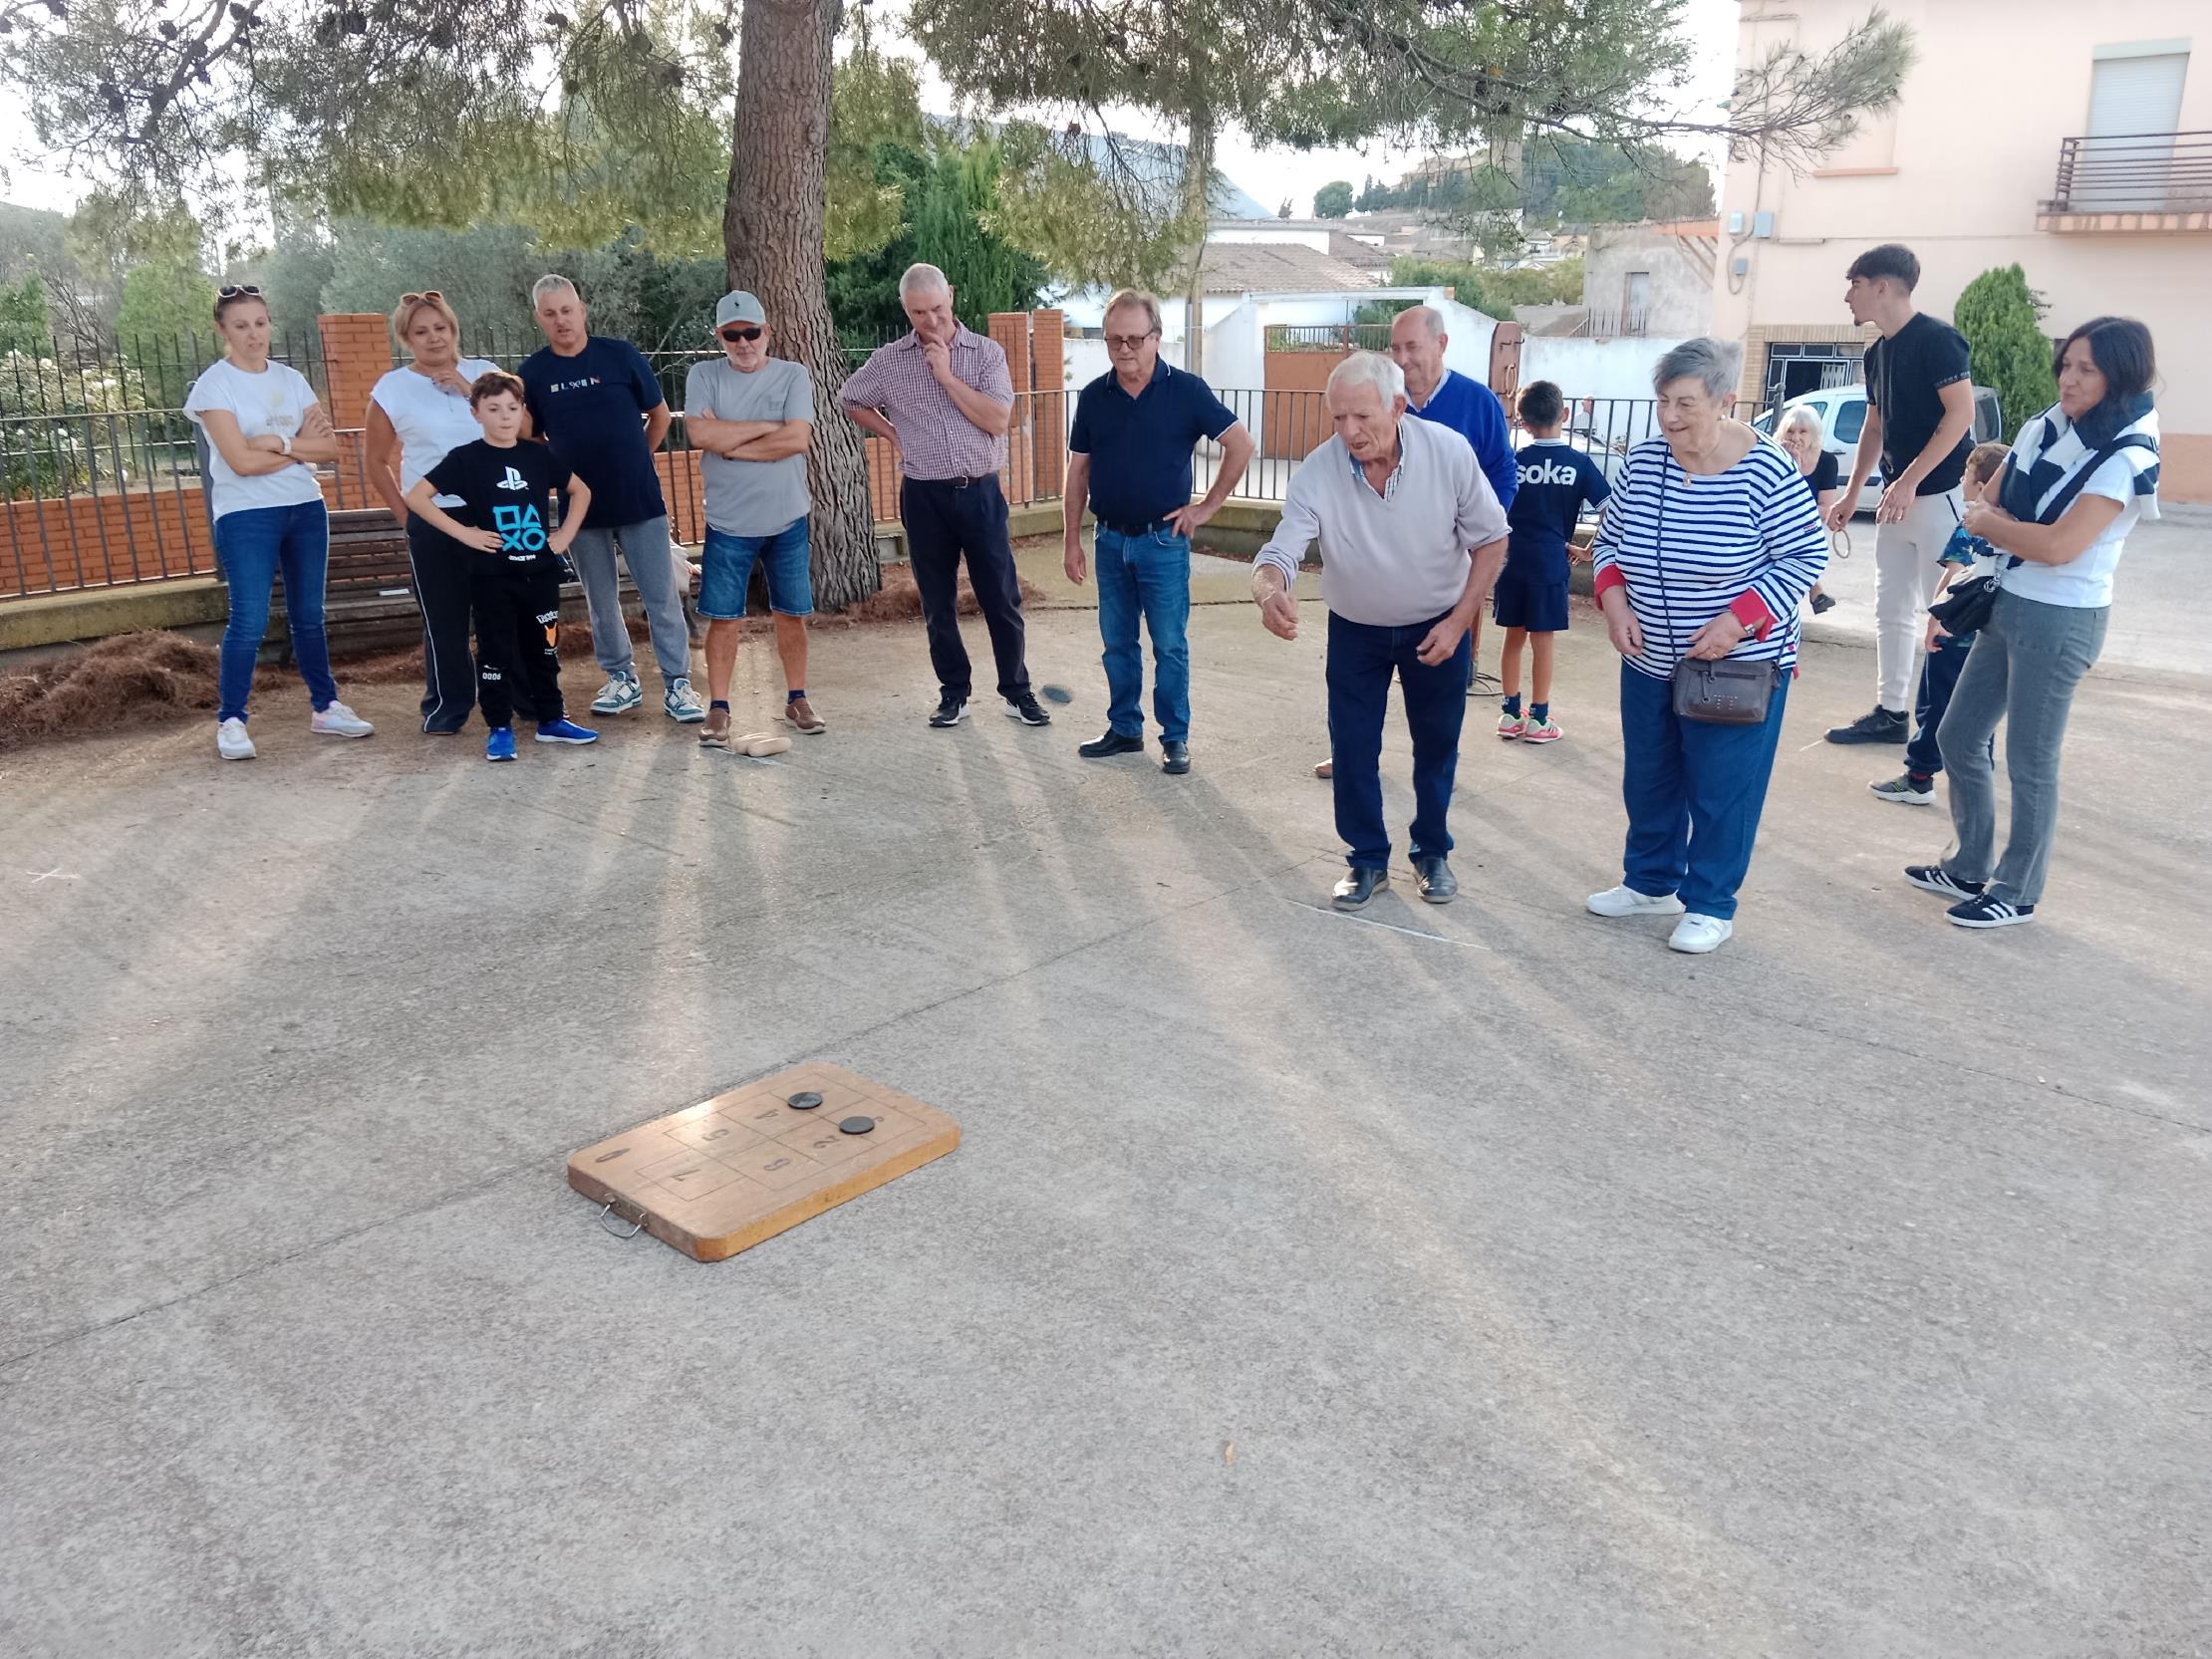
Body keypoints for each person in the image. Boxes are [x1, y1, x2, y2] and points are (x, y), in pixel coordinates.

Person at [1905, 319, 2160, 929]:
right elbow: (1991, 496)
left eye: (2087, 370)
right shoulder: (2046, 425)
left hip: (2063, 617)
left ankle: (2016, 890)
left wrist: (1992, 525)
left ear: (2120, 377)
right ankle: (1969, 864)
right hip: (2009, 597)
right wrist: (1982, 540)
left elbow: (2056, 546)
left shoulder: (2126, 454)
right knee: (1958, 736)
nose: (2069, 379)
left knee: (2030, 760)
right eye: (2067, 364)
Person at [1584, 338, 1827, 955]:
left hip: (1734, 665)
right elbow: (1609, 544)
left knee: (1722, 786)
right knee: (1649, 776)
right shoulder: (1643, 462)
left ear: (1724, 402)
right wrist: (1614, 604)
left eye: (1686, 404)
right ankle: (1649, 881)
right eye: (1663, 401)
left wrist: (1738, 621)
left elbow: (1806, 555)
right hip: (1647, 655)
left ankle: (1712, 902)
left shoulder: (1766, 469)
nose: (1670, 417)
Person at [1249, 352, 1509, 910]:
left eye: (1362, 417)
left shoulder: (1448, 452)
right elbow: (1283, 547)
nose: (1349, 431)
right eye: (1338, 418)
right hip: (1356, 631)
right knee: (1353, 745)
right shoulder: (1319, 469)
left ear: (1397, 406)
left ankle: (1431, 852)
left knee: (1437, 745)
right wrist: (1269, 589)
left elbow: (1492, 540)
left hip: (1439, 625)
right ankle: (1366, 859)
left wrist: (1461, 619)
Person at [839, 263, 1051, 730]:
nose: (930, 321)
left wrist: (947, 376)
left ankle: (1017, 691)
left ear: (951, 297)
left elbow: (997, 420)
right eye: (918, 313)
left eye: (936, 308)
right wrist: (894, 435)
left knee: (1001, 597)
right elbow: (849, 397)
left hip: (980, 492)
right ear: (905, 309)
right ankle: (954, 693)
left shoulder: (985, 353)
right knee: (937, 602)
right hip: (923, 495)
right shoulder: (891, 360)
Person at [1062, 287, 1255, 774]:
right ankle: (1125, 729)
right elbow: (1078, 473)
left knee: (1169, 645)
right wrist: (1071, 540)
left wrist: (1207, 507)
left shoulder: (1186, 390)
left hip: (1163, 543)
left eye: (1133, 339)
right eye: (1113, 341)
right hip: (1109, 541)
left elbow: (1241, 444)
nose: (1123, 350)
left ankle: (1175, 737)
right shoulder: (1093, 397)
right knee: (1117, 644)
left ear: (1157, 338)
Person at [183, 284, 374, 761]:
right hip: (246, 515)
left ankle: (326, 706)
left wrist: (279, 444)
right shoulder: (214, 386)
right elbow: (240, 463)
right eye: (241, 325)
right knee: (248, 619)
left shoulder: (292, 379)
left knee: (309, 616)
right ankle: (231, 719)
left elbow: (329, 450)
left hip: (305, 508)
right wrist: (289, 448)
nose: (254, 334)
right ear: (221, 329)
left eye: (261, 323)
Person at [517, 274, 703, 725]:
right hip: (580, 512)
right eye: (550, 313)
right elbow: (527, 436)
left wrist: (637, 456)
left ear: (582, 310)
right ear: (539, 319)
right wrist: (561, 474)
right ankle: (622, 678)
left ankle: (678, 684)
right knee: (600, 602)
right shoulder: (533, 373)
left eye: (567, 310)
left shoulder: (620, 355)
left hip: (639, 501)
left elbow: (659, 415)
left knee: (660, 598)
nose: (561, 320)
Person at [405, 373, 601, 761]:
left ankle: (550, 720)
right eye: (493, 409)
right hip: (492, 575)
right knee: (495, 652)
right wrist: (464, 533)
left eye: (512, 408)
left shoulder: (537, 454)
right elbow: (417, 497)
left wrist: (563, 536)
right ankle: (498, 728)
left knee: (544, 651)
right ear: (476, 412)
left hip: (540, 572)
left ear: (522, 410)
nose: (505, 416)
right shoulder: (466, 458)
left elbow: (581, 490)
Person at [1825, 244, 1976, 745]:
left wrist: (1910, 480)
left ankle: (1951, 729)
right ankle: (1891, 714)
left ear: (1882, 286)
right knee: (1890, 610)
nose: (1848, 296)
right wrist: (1851, 495)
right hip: (1894, 503)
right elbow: (1874, 426)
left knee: (1948, 613)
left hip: (1940, 498)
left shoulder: (1938, 340)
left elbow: (1961, 416)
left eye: (1855, 285)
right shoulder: (1877, 353)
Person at [364, 290, 513, 733]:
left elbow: (521, 430)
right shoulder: (393, 387)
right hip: (434, 519)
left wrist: (471, 391)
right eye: (421, 332)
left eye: (440, 328)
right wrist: (405, 517)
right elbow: (376, 461)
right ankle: (448, 707)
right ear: (407, 339)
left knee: (507, 614)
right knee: (444, 621)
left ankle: (523, 698)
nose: (433, 338)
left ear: (454, 329)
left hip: (496, 514)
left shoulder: (485, 373)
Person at [682, 290, 822, 750]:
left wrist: (732, 443)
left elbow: (798, 438)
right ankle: (718, 707)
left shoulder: (793, 375)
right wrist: (768, 425)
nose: (744, 343)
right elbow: (700, 432)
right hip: (728, 522)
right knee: (723, 618)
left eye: (752, 333)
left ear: (767, 332)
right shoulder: (704, 375)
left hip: (787, 519)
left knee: (792, 614)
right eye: (732, 334)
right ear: (720, 337)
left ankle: (797, 698)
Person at [1869, 440, 2009, 807]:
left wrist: (1935, 615)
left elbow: (1954, 574)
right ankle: (1979, 781)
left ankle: (1918, 778)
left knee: (1934, 707)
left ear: (1980, 486)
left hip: (1951, 637)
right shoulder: (2011, 527)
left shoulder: (1971, 525)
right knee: (1981, 714)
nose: (1960, 479)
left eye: (1966, 473)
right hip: (1985, 640)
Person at [1494, 380, 1608, 744]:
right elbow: (1612, 512)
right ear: (1565, 414)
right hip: (1549, 564)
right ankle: (1539, 718)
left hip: (1511, 562)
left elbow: (1491, 509)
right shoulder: (1579, 464)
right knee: (1542, 641)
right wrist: (1588, 549)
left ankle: (1510, 714)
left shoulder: (1514, 462)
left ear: (1523, 421)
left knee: (1513, 636)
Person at [1777, 405, 1839, 616]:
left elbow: (1826, 507)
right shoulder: (1775, 457)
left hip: (1806, 525)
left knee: (1796, 540)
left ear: (1814, 434)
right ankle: (1816, 592)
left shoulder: (1827, 461)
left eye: (1803, 432)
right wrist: (1791, 464)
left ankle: (1815, 592)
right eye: (1790, 431)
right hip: (1776, 524)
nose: (1796, 437)